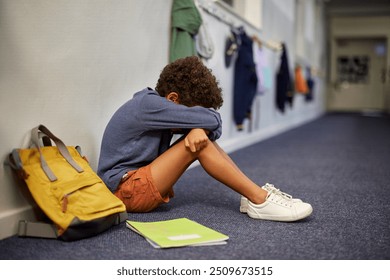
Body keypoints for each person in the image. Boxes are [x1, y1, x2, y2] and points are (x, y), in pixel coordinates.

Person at [97, 56, 312, 222]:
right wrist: (200, 127)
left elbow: (211, 124)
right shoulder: (148, 106)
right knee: (198, 144)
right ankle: (259, 199)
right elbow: (213, 119)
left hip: (135, 183)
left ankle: (254, 196)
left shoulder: (158, 108)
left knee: (201, 140)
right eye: (189, 113)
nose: (189, 122)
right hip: (124, 191)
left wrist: (199, 129)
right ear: (173, 98)